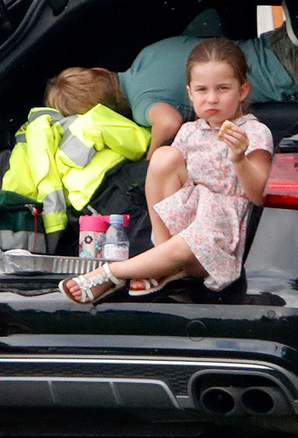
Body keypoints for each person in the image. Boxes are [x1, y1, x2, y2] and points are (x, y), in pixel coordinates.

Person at [59, 37, 273, 303]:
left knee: (192, 238)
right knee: (163, 156)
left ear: (242, 91)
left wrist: (240, 159)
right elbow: (170, 183)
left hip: (218, 237)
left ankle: (111, 273)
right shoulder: (189, 131)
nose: (212, 98)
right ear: (190, 93)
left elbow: (260, 196)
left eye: (223, 88)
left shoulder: (253, 132)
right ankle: (162, 258)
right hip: (186, 226)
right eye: (202, 90)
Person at [44, 1, 298, 158]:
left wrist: (149, 157)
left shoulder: (143, 105)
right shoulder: (147, 54)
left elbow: (168, 122)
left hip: (292, 75)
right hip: (275, 43)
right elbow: (211, 27)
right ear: (101, 71)